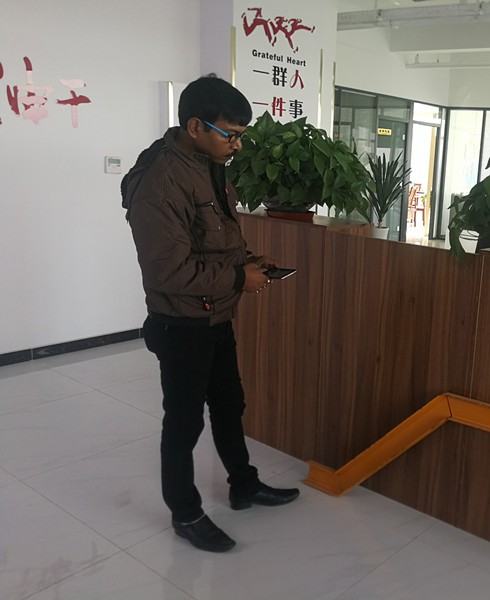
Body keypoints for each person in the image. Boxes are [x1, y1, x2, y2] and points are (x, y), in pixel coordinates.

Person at [121, 75, 299, 553]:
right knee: (184, 423)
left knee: (228, 405)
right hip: (182, 323)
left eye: (241, 135)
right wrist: (240, 278)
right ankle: (185, 513)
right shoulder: (159, 180)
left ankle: (244, 485)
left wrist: (248, 262)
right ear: (195, 126)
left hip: (216, 314)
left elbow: (213, 236)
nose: (237, 145)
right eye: (230, 134)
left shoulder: (208, 162)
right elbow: (167, 272)